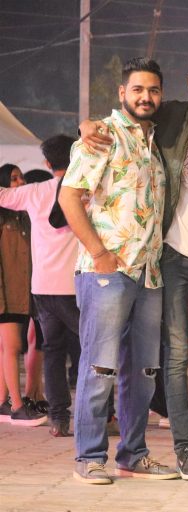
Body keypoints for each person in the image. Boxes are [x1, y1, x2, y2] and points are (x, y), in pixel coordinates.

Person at [81, 48, 188, 481]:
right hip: (170, 255)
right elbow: (125, 114)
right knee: (168, 356)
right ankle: (179, 448)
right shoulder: (174, 116)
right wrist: (87, 125)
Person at [59, 57, 178, 484]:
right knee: (100, 368)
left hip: (149, 275)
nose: (146, 97)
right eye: (138, 90)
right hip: (107, 271)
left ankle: (133, 454)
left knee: (143, 373)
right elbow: (69, 197)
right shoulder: (103, 136)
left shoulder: (154, 141)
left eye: (153, 90)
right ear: (122, 93)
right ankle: (89, 457)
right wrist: (99, 253)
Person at [0, 135, 82, 436]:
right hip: (75, 287)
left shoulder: (34, 192)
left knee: (53, 351)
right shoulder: (84, 189)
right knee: (87, 351)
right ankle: (97, 415)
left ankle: (59, 419)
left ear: (47, 163)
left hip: (42, 288)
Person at [0, 164, 46, 427]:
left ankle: (4, 401)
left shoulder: (24, 217)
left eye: (21, 178)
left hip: (21, 294)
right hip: (5, 295)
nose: (19, 183)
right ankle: (17, 406)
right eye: (13, 179)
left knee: (6, 348)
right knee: (13, 347)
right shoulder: (3, 218)